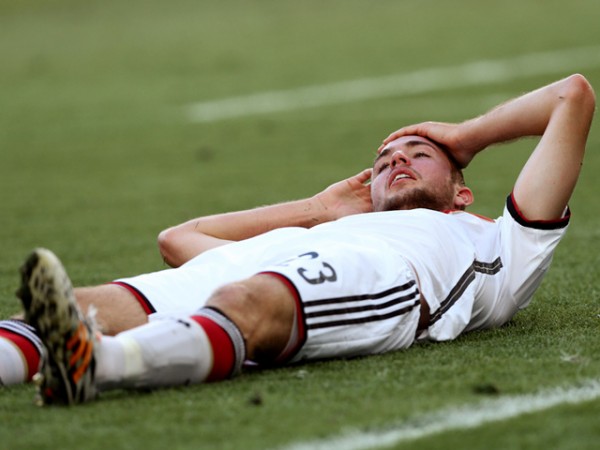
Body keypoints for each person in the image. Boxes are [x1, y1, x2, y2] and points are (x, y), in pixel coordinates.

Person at [12, 74, 595, 405]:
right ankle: (48, 350)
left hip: (388, 275)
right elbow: (180, 239)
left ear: (462, 193)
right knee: (93, 304)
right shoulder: (336, 222)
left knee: (248, 303)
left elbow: (573, 97)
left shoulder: (497, 242)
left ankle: (102, 363)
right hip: (298, 254)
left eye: (420, 154)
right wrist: (318, 209)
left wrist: (463, 137)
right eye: (386, 160)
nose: (399, 161)